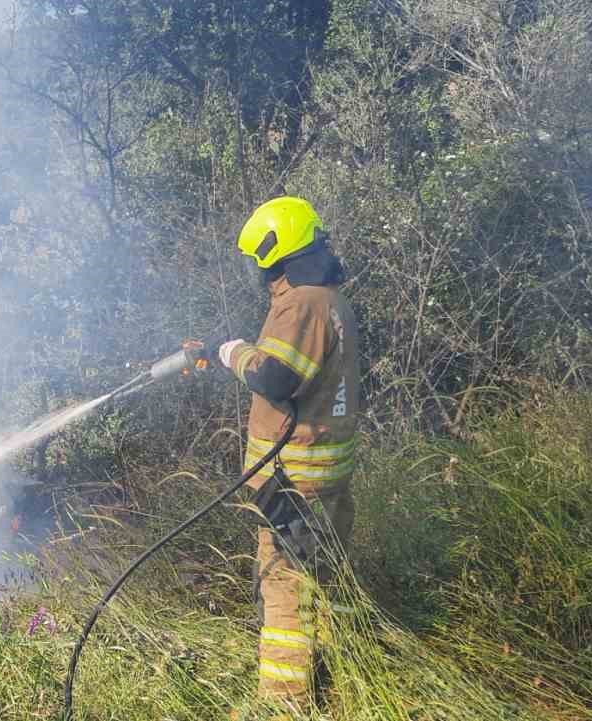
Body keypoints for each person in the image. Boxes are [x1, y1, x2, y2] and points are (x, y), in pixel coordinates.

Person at [209, 196, 363, 711]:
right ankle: (342, 680)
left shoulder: (302, 304)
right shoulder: (332, 299)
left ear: (276, 254)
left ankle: (283, 701)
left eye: (261, 261)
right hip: (326, 475)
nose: (259, 272)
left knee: (285, 592)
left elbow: (276, 377)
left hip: (292, 482)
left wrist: (235, 354)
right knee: (326, 581)